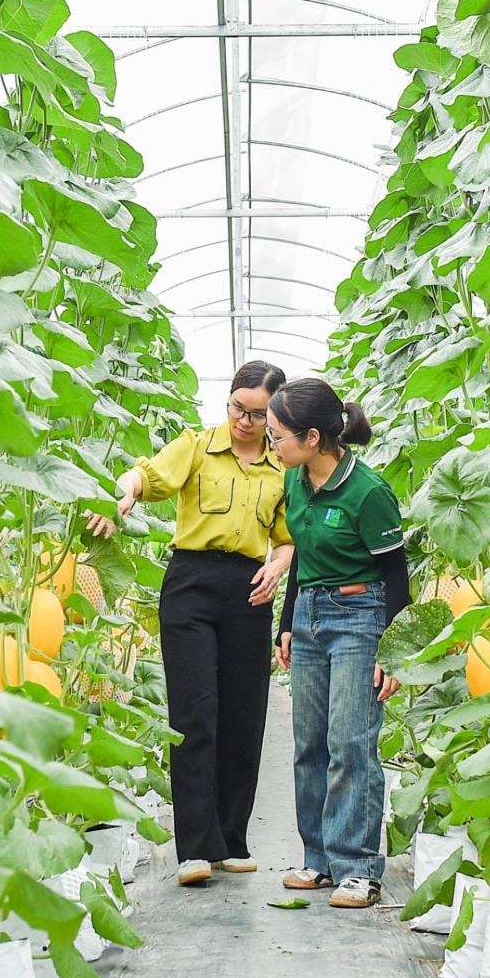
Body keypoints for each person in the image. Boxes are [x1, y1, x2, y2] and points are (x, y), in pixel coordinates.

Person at [87, 361, 295, 887]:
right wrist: (126, 493)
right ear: (226, 401)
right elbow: (148, 474)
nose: (245, 421)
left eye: (257, 413)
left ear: (274, 413)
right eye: (237, 408)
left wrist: (277, 565)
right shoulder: (197, 445)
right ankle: (195, 848)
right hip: (192, 585)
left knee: (244, 716)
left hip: (250, 590)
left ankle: (232, 841)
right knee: (196, 712)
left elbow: (287, 536)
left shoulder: (281, 469)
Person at [267, 378, 409, 909]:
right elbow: (301, 555)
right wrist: (287, 622)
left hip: (360, 617)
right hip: (309, 614)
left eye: (278, 436)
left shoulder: (368, 492)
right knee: (310, 743)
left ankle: (357, 868)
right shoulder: (296, 480)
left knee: (350, 742)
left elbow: (397, 574)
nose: (271, 444)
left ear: (311, 436)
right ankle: (319, 859)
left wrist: (393, 652)